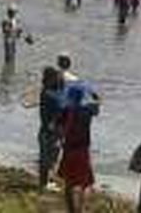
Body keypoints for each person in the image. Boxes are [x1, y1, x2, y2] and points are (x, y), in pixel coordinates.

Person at [58, 84, 100, 213]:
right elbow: (98, 105)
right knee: (84, 182)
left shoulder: (65, 110)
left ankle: (71, 209)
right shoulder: (87, 110)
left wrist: (61, 140)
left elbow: (59, 129)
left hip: (69, 149)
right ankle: (80, 209)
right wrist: (94, 94)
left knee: (68, 182)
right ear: (82, 97)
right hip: (82, 150)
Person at [38, 66, 64, 192]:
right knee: (50, 158)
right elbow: (61, 106)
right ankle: (46, 183)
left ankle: (46, 182)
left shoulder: (46, 92)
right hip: (51, 131)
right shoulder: (50, 95)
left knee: (49, 158)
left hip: (47, 130)